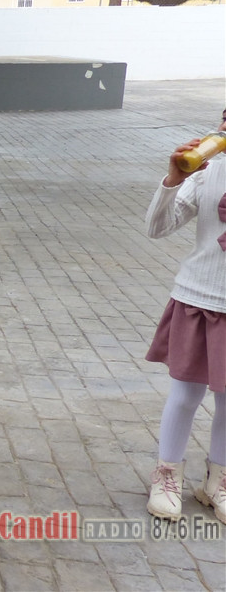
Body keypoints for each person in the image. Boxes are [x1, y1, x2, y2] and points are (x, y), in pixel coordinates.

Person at [143, 111, 226, 524]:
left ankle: (218, 481)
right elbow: (157, 228)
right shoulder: (207, 170)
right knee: (186, 394)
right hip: (200, 297)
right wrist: (174, 180)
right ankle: (167, 474)